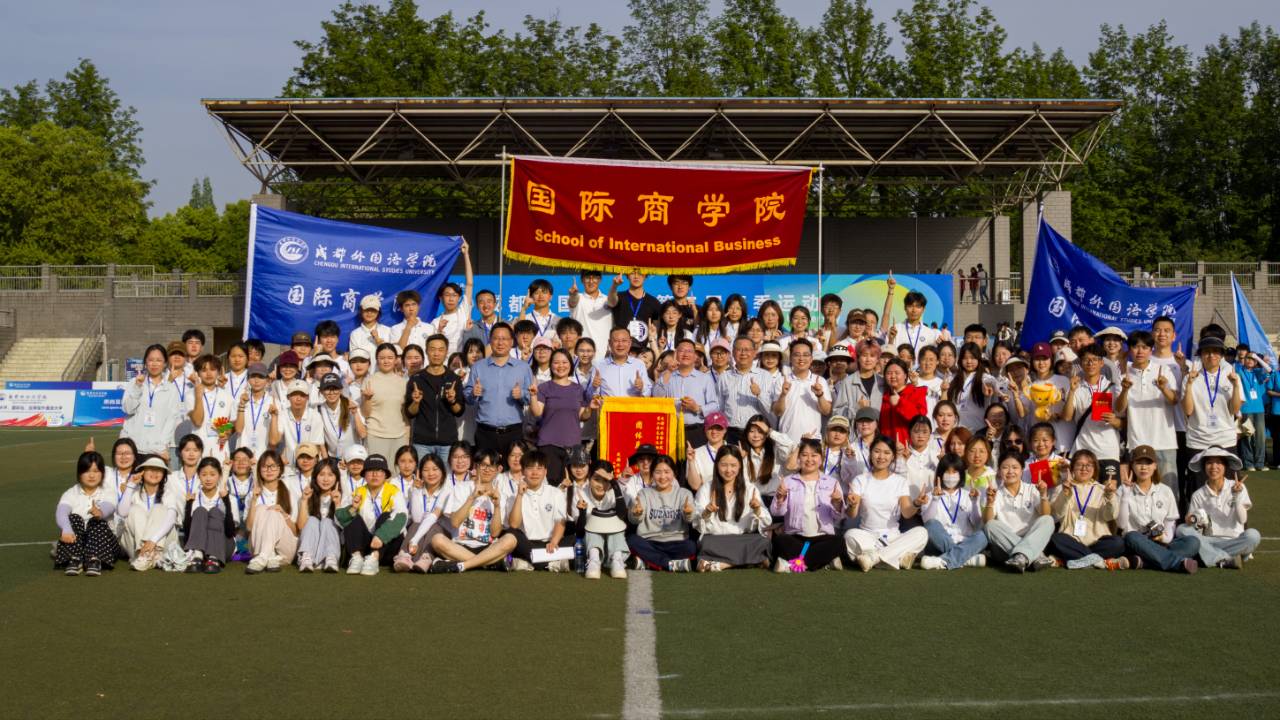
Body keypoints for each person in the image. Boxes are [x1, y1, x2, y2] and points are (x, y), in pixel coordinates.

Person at [427, 447, 520, 573]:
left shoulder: (500, 495)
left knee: (511, 539)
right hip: (460, 545)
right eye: (483, 465)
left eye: (491, 466)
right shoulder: (461, 488)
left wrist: (497, 506)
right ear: (476, 466)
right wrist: (472, 498)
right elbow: (455, 523)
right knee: (437, 540)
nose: (487, 469)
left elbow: (495, 533)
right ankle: (488, 564)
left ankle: (463, 565)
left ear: (498, 469)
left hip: (488, 547)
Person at [843, 435, 929, 571]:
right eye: (877, 451)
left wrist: (917, 503)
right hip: (868, 536)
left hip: (893, 537)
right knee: (850, 535)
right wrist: (852, 505)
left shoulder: (900, 481)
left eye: (887, 453)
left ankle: (874, 558)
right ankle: (895, 557)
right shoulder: (860, 480)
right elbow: (852, 514)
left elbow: (906, 513)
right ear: (870, 453)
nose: (881, 456)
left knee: (921, 533)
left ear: (893, 456)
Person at [1115, 330, 1179, 495]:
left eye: (1144, 347)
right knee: (1138, 492)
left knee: (1169, 491)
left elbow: (1174, 400)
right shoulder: (1123, 375)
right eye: (1135, 347)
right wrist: (1124, 390)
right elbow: (1119, 409)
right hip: (1137, 442)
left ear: (1151, 349)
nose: (1140, 351)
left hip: (1164, 442)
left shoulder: (1164, 370)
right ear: (1129, 349)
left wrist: (1163, 388)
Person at [1177, 447, 1261, 569]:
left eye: (1218, 463)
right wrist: (1191, 520)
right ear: (1204, 467)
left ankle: (1209, 555)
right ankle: (1226, 558)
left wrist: (1236, 496)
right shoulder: (1198, 494)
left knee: (1253, 535)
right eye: (1209, 463)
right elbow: (1193, 523)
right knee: (1181, 529)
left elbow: (1242, 520)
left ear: (1225, 466)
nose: (1214, 467)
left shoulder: (1238, 487)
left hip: (1234, 539)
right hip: (1207, 540)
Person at [1119, 445, 1199, 573]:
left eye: (1148, 463)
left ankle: (1145, 562)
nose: (1144, 467)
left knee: (1193, 542)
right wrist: (1125, 496)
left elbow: (1170, 523)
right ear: (1132, 466)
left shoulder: (1165, 490)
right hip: (1137, 543)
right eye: (1139, 463)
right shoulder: (1124, 490)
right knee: (1132, 536)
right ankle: (1177, 563)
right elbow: (1122, 525)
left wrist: (1163, 538)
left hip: (1161, 543)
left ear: (1155, 466)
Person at [693, 446, 771, 572]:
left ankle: (723, 564)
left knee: (763, 542)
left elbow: (766, 522)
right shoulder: (706, 488)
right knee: (706, 543)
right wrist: (707, 512)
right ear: (717, 465)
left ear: (740, 466)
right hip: (716, 540)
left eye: (733, 465)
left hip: (742, 539)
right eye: (724, 465)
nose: (728, 470)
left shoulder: (750, 489)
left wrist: (757, 509)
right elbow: (696, 523)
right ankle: (753, 560)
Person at [1181, 337, 1242, 497]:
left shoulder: (1231, 376)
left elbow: (1234, 410)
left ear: (1221, 355)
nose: (1211, 355)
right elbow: (1188, 410)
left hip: (1225, 439)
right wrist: (1189, 384)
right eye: (1207, 352)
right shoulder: (1191, 377)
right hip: (1198, 440)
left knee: (1229, 489)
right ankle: (1197, 515)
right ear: (1200, 355)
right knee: (1198, 489)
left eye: (1216, 352)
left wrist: (1235, 386)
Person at [1048, 450, 1129, 570]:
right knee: (1056, 539)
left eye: (1088, 465)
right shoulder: (1064, 487)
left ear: (1094, 469)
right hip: (1071, 539)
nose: (1084, 468)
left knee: (1118, 543)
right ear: (1072, 468)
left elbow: (1110, 516)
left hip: (1097, 541)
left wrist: (1109, 496)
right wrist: (1065, 493)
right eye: (1079, 464)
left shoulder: (1103, 489)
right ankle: (1101, 562)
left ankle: (1069, 559)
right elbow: (1057, 514)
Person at [530, 349, 599, 483]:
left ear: (570, 365)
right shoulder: (544, 388)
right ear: (551, 365)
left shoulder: (578, 389)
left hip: (573, 445)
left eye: (564, 362)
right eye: (556, 362)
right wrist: (533, 395)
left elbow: (583, 416)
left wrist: (590, 408)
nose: (560, 366)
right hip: (549, 444)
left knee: (572, 485)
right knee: (553, 484)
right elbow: (537, 412)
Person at [464, 323, 534, 456]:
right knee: (485, 468)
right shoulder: (478, 367)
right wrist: (473, 393)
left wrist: (522, 394)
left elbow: (531, 398)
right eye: (496, 338)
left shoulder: (523, 368)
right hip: (485, 433)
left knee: (513, 468)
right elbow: (468, 398)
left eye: (504, 339)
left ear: (512, 342)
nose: (500, 343)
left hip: (513, 433)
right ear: (490, 341)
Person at [982, 453, 1055, 572]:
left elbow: (1045, 514)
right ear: (999, 471)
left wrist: (1043, 495)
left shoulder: (1032, 489)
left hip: (1032, 539)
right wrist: (990, 502)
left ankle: (1021, 557)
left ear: (1022, 471)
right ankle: (1035, 556)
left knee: (1048, 520)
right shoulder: (996, 493)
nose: (1010, 471)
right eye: (1005, 467)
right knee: (990, 525)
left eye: (1015, 467)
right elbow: (987, 521)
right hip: (1005, 546)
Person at [337, 453, 407, 576]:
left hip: (387, 546)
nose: (375, 474)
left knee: (385, 516)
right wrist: (353, 508)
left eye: (379, 470)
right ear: (364, 475)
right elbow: (340, 518)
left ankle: (374, 558)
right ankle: (357, 558)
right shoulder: (359, 491)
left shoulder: (394, 491)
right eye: (370, 471)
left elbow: (402, 517)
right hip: (366, 546)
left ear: (385, 475)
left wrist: (381, 536)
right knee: (352, 515)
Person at [627, 454, 697, 572]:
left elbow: (690, 519)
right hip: (650, 541)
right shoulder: (644, 493)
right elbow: (634, 520)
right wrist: (637, 514)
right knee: (632, 540)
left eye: (667, 472)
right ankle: (670, 564)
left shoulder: (684, 493)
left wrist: (688, 513)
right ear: (652, 474)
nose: (662, 476)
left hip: (677, 542)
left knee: (691, 547)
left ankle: (649, 562)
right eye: (658, 472)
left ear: (674, 473)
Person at [54, 451, 120, 576]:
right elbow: (61, 511)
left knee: (97, 522)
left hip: (104, 543)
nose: (91, 475)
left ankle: (94, 560)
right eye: (87, 471)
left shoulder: (108, 492)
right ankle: (75, 559)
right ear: (79, 473)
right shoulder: (72, 492)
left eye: (96, 471)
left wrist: (100, 512)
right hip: (78, 541)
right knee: (73, 518)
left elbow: (109, 506)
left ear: (102, 473)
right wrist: (66, 529)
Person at [918, 455, 989, 570]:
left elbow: (976, 523)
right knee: (931, 525)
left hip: (964, 541)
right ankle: (966, 558)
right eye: (947, 472)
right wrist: (935, 500)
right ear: (941, 474)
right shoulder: (930, 495)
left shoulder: (968, 495)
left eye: (955, 472)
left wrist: (975, 502)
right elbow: (927, 522)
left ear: (961, 474)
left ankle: (944, 560)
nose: (951, 476)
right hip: (938, 544)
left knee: (982, 536)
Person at [505, 450, 571, 572]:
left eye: (539, 468)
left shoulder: (556, 493)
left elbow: (560, 521)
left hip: (549, 543)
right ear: (523, 471)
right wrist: (520, 495)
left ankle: (527, 563)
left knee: (576, 541)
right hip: (526, 544)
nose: (535, 473)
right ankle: (551, 564)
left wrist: (554, 541)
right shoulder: (514, 496)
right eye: (530, 468)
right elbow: (514, 525)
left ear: (545, 472)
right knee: (511, 535)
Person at [116, 456, 184, 572]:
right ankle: (146, 555)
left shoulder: (168, 493)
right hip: (137, 548)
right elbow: (122, 512)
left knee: (159, 508)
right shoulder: (134, 492)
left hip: (162, 546)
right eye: (150, 469)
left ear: (163, 475)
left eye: (159, 470)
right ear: (142, 472)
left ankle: (149, 555)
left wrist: (153, 540)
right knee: (134, 509)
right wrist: (130, 485)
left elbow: (172, 518)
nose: (155, 473)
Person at [404, 334, 464, 463]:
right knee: (423, 474)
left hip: (448, 442)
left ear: (446, 352)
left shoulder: (454, 378)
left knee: (447, 475)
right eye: (432, 349)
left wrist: (452, 401)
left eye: (441, 350)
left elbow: (459, 411)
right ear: (426, 351)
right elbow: (409, 413)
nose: (436, 353)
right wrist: (416, 402)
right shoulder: (416, 379)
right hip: (422, 443)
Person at [120, 343, 183, 461]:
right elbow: (128, 409)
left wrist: (161, 446)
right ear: (145, 363)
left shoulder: (171, 389)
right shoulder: (134, 382)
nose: (154, 364)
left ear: (165, 363)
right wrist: (137, 387)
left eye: (159, 360)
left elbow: (171, 420)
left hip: (156, 450)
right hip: (132, 447)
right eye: (151, 360)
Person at [653, 338, 720, 448]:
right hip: (672, 430)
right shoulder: (667, 375)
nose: (685, 354)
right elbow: (656, 397)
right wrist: (668, 371)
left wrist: (697, 408)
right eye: (682, 351)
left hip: (697, 431)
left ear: (695, 356)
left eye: (689, 351)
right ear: (676, 354)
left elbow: (715, 406)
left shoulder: (705, 378)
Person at [244, 450, 298, 574]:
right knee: (261, 508)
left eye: (273, 466)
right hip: (257, 547)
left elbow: (295, 531)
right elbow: (249, 528)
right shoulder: (253, 494)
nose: (269, 470)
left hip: (284, 551)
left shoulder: (289, 493)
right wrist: (253, 501)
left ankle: (263, 556)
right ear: (259, 470)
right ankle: (268, 555)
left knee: (274, 512)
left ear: (280, 469)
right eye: (264, 466)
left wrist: (283, 514)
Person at [770, 338, 832, 444]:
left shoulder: (820, 381)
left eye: (806, 355)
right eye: (797, 355)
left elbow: (826, 411)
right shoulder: (782, 380)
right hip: (786, 441)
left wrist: (820, 395)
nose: (801, 358)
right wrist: (783, 395)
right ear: (791, 358)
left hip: (812, 440)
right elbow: (777, 412)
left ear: (811, 358)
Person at [180, 457, 235, 574]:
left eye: (212, 474)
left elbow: (230, 532)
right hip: (198, 546)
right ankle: (198, 556)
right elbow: (188, 532)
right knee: (200, 511)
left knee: (215, 511)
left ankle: (213, 558)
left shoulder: (227, 496)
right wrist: (189, 505)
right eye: (204, 474)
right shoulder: (194, 496)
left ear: (219, 476)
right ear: (198, 476)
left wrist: (227, 502)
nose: (208, 479)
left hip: (222, 546)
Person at [576, 461, 629, 579]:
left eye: (605, 480)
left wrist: (615, 485)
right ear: (589, 478)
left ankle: (617, 561)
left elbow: (622, 516)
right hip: (590, 545)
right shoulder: (580, 494)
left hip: (614, 544)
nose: (601, 485)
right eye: (596, 479)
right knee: (594, 523)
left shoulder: (616, 492)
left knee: (616, 524)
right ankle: (594, 562)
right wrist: (582, 512)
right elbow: (579, 532)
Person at [294, 457, 344, 573]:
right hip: (312, 545)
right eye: (321, 474)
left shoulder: (343, 495)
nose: (326, 479)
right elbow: (301, 527)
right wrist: (304, 500)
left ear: (336, 478)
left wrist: (337, 504)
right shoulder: (308, 495)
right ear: (315, 477)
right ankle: (306, 558)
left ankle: (330, 558)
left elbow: (343, 527)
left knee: (327, 521)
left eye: (330, 475)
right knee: (312, 519)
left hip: (334, 545)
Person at [880, 275, 940, 358]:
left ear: (923, 309)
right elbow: (889, 354)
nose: (914, 310)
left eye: (918, 306)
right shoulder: (895, 329)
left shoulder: (930, 333)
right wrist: (891, 339)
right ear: (905, 308)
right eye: (910, 306)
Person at [431, 240, 473, 353]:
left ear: (459, 298)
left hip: (462, 361)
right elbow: (433, 347)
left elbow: (469, 284)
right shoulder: (435, 322)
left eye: (454, 295)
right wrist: (439, 331)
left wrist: (466, 254)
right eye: (447, 295)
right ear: (441, 298)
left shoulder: (463, 311)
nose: (451, 299)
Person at [270, 379, 326, 465]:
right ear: (288, 397)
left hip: (310, 463)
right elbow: (274, 441)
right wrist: (274, 417)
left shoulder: (315, 416)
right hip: (289, 464)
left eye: (302, 395)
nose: (298, 399)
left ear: (307, 397)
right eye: (294, 395)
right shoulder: (283, 414)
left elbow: (317, 446)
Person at [1234, 347, 1270, 471]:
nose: (1250, 360)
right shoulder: (1239, 370)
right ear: (1244, 360)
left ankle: (1260, 463)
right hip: (1245, 409)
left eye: (1252, 359)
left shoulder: (1257, 372)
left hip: (1259, 409)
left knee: (1260, 437)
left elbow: (1269, 370)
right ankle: (1248, 463)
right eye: (1248, 358)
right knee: (1247, 436)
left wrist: (1258, 358)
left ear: (1255, 362)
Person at [879, 358, 928, 447]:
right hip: (887, 448)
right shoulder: (883, 397)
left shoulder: (916, 393)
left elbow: (920, 420)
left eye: (897, 373)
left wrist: (900, 403)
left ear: (905, 375)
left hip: (909, 448)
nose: (893, 376)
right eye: (889, 373)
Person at [595, 326, 652, 398]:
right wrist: (594, 387)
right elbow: (591, 396)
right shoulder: (599, 365)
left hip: (632, 405)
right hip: (608, 405)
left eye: (624, 341)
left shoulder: (639, 364)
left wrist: (642, 387)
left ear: (630, 342)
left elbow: (648, 392)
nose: (620, 344)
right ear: (609, 343)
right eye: (616, 341)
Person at [608, 270, 662, 341]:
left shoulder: (654, 302)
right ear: (627, 276)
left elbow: (657, 328)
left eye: (640, 273)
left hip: (644, 347)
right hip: (621, 345)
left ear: (645, 276)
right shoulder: (619, 296)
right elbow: (611, 303)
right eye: (632, 273)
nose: (636, 276)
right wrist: (614, 285)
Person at [568, 269, 614, 350]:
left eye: (595, 278)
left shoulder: (607, 300)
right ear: (582, 280)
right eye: (587, 278)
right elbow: (572, 301)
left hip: (606, 353)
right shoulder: (578, 298)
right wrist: (573, 295)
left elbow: (614, 301)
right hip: (583, 353)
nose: (591, 281)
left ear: (600, 280)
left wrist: (615, 286)